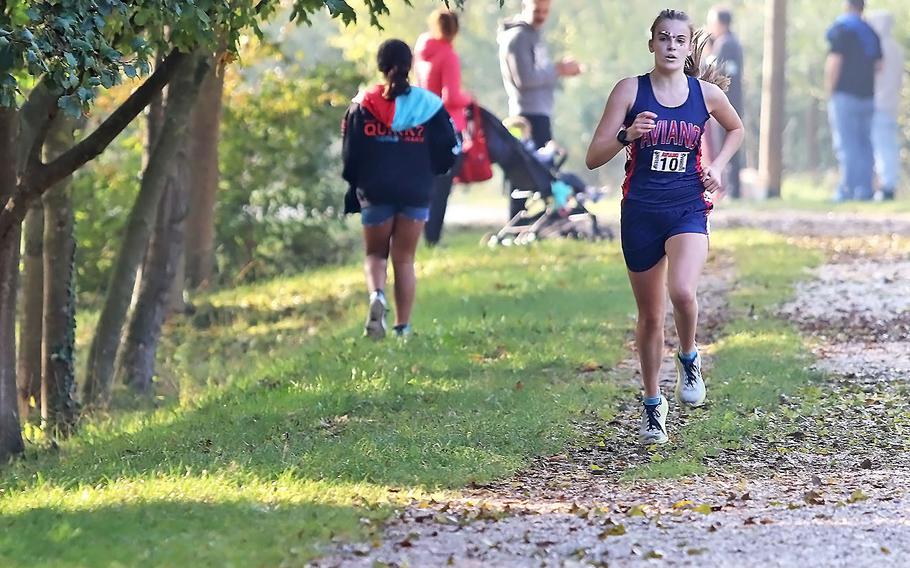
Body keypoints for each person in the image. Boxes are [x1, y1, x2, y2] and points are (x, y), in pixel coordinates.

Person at [585, 9, 743, 444]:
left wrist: (718, 167)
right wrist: (627, 134)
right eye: (663, 39)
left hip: (687, 206)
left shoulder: (705, 94)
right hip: (640, 211)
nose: (671, 46)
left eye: (679, 40)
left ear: (686, 45)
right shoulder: (629, 91)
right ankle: (653, 407)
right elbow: (593, 155)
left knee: (683, 292)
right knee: (651, 317)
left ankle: (689, 356)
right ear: (651, 44)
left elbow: (736, 129)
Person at [342, 39, 460, 339]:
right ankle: (402, 328)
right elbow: (449, 148)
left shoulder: (362, 104)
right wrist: (430, 171)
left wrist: (356, 184)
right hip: (415, 190)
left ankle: (377, 296)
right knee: (404, 259)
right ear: (411, 65)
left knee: (375, 255)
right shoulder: (429, 105)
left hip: (375, 190)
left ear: (381, 67)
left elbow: (350, 153)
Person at [498, 0, 582, 218]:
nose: (541, 16)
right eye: (537, 11)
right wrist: (558, 69)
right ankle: (517, 219)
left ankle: (544, 217)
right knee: (526, 170)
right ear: (526, 6)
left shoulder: (534, 35)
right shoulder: (518, 38)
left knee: (543, 169)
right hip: (526, 114)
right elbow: (525, 79)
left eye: (545, 11)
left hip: (540, 110)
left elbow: (539, 71)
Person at [415, 8, 472, 245]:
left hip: (423, 123)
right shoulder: (449, 55)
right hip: (448, 127)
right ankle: (432, 238)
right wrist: (469, 98)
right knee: (441, 188)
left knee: (426, 184)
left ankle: (416, 233)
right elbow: (450, 97)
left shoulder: (421, 48)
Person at [825, 0, 882, 202]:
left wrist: (830, 90)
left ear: (847, 5)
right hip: (868, 96)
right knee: (865, 143)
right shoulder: (871, 32)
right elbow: (879, 66)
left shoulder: (842, 28)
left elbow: (835, 62)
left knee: (847, 144)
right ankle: (865, 190)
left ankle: (847, 190)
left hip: (845, 95)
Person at [705, 6, 744, 198]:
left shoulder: (726, 44)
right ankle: (732, 189)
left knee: (726, 144)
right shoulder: (732, 42)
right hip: (732, 100)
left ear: (720, 23)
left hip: (725, 102)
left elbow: (715, 72)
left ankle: (730, 189)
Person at [867, 11, 903, 201]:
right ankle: (885, 185)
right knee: (887, 144)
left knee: (882, 146)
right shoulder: (896, 48)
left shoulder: (877, 47)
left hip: (877, 104)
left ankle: (887, 186)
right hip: (890, 103)